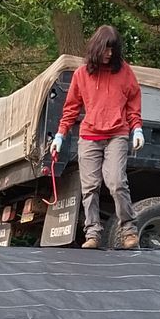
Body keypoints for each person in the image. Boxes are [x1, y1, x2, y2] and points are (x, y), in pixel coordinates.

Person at [50, 25, 145, 249]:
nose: (109, 54)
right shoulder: (81, 75)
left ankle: (129, 231)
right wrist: (60, 135)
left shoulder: (125, 72)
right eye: (106, 49)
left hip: (117, 134)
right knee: (90, 187)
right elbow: (71, 108)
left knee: (117, 182)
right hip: (89, 135)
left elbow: (133, 102)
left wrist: (137, 128)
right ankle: (92, 234)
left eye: (113, 49)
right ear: (96, 47)